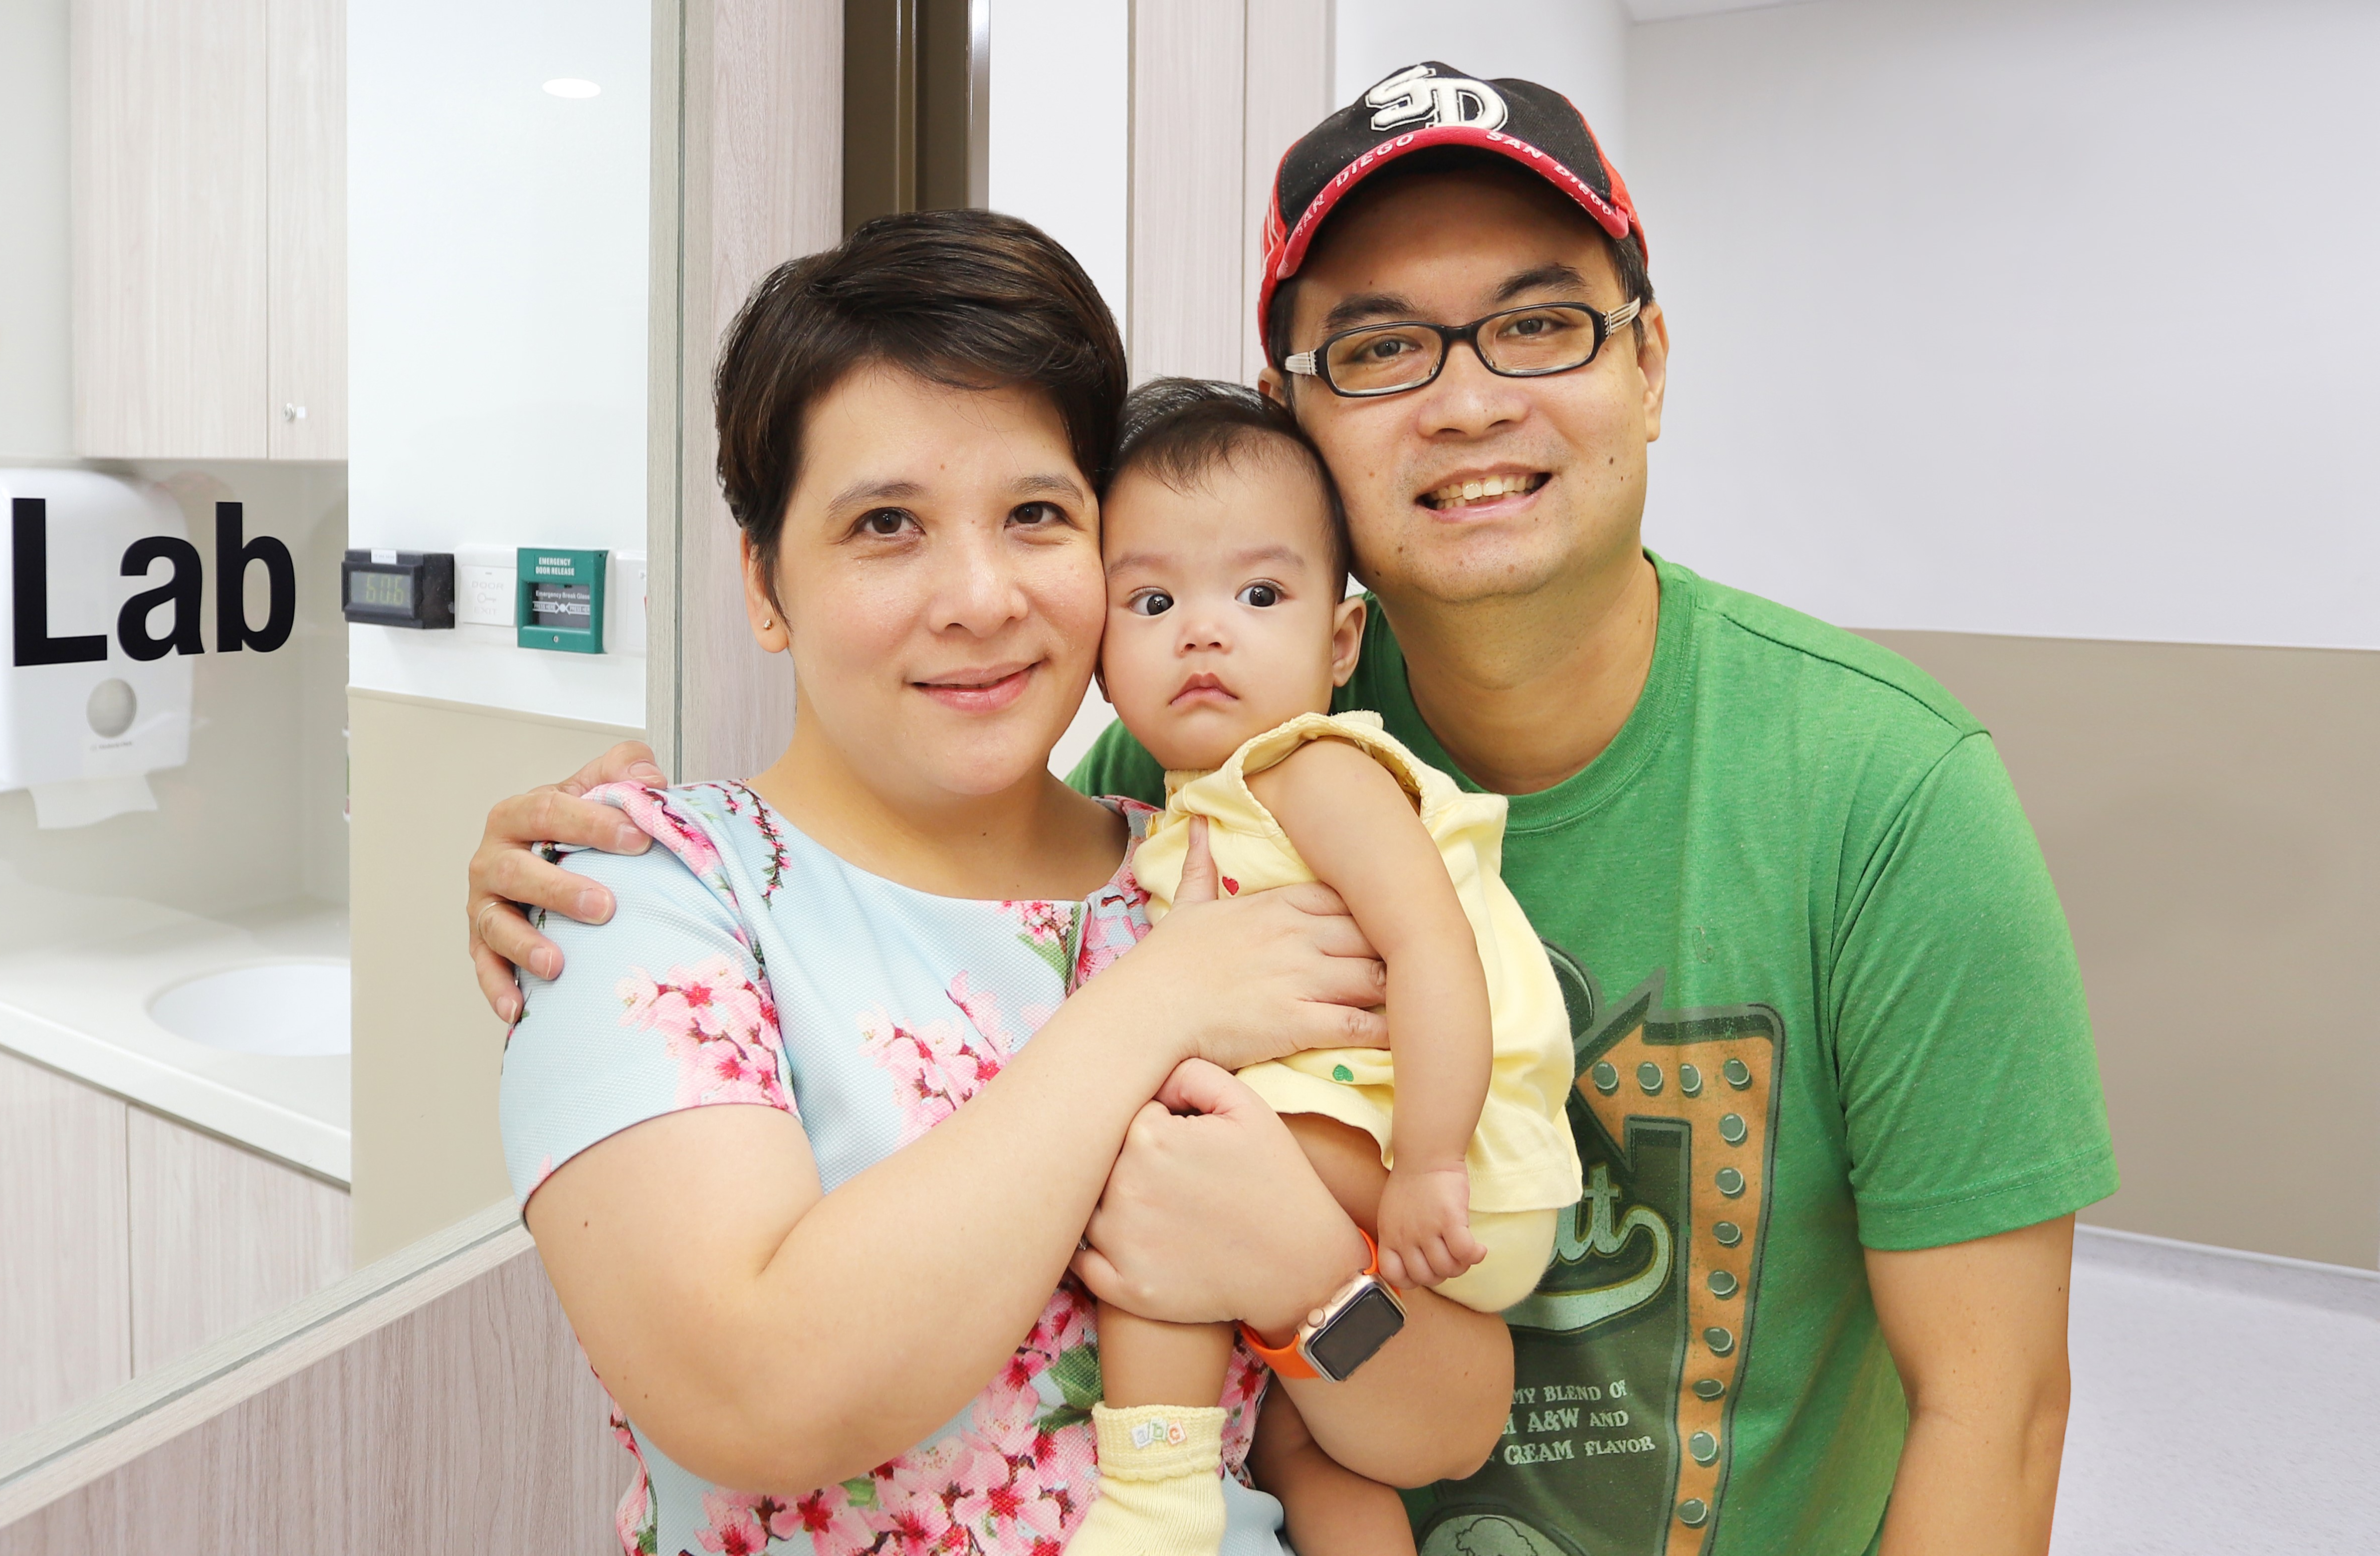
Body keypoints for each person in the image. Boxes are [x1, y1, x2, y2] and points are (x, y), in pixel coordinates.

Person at [472, 62, 2115, 1556]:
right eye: (1383, 349)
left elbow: (1993, 1412)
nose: (1468, 403)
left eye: (1540, 324)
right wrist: (616, 862)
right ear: (1295, 416)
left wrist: (1310, 1274)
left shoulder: (1884, 791)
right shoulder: (1183, 825)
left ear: (1651, 361)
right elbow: (754, 1375)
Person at [497, 209, 1508, 1556]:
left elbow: (1448, 1423)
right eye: (886, 525)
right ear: (765, 581)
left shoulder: (1215, 873)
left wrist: (1305, 1275)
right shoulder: (650, 893)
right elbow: (752, 1393)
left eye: (1037, 515)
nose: (980, 598)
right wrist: (1151, 1007)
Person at [1071, 379, 1581, 1556]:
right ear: (1099, 651)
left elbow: (1433, 946)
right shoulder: (1180, 807)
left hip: (1447, 1171)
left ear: (1341, 640)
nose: (1203, 631)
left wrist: (1431, 1164)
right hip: (1400, 1171)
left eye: (1259, 595)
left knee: (1156, 1157)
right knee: (1304, 1451)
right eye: (1152, 601)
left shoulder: (1309, 770)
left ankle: (1154, 1493)